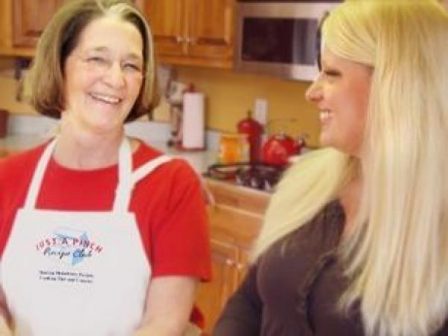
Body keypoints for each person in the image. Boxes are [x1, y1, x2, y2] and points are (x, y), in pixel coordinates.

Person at [214, 0, 448, 335]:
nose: (312, 92)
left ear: (395, 86)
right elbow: (251, 300)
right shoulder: (306, 182)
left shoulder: (437, 227)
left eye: (332, 74)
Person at [0, 0, 211, 335]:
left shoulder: (171, 183)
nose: (116, 79)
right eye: (97, 59)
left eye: (130, 65)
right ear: (60, 66)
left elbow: (165, 323)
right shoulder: (7, 179)